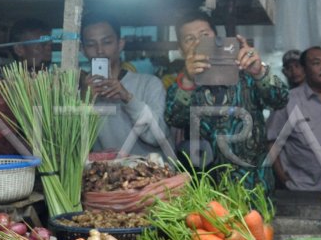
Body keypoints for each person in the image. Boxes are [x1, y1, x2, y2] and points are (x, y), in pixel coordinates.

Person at [164, 12, 288, 192]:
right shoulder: (183, 85)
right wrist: (189, 80)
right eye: (189, 39)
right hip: (207, 192)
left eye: (204, 35)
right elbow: (174, 119)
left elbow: (281, 99)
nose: (198, 43)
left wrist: (259, 71)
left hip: (256, 187)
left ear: (217, 38)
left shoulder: (246, 72)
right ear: (181, 49)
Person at [80, 14, 170, 159]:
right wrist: (83, 102)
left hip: (152, 176)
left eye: (107, 42)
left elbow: (157, 138)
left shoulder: (149, 84)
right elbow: (70, 146)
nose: (100, 50)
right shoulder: (80, 91)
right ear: (83, 50)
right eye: (91, 44)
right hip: (106, 177)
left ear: (120, 44)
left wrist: (128, 98)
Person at [267, 47, 321, 192]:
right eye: (316, 63)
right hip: (302, 189)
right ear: (304, 69)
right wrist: (283, 178)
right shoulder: (288, 100)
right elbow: (271, 141)